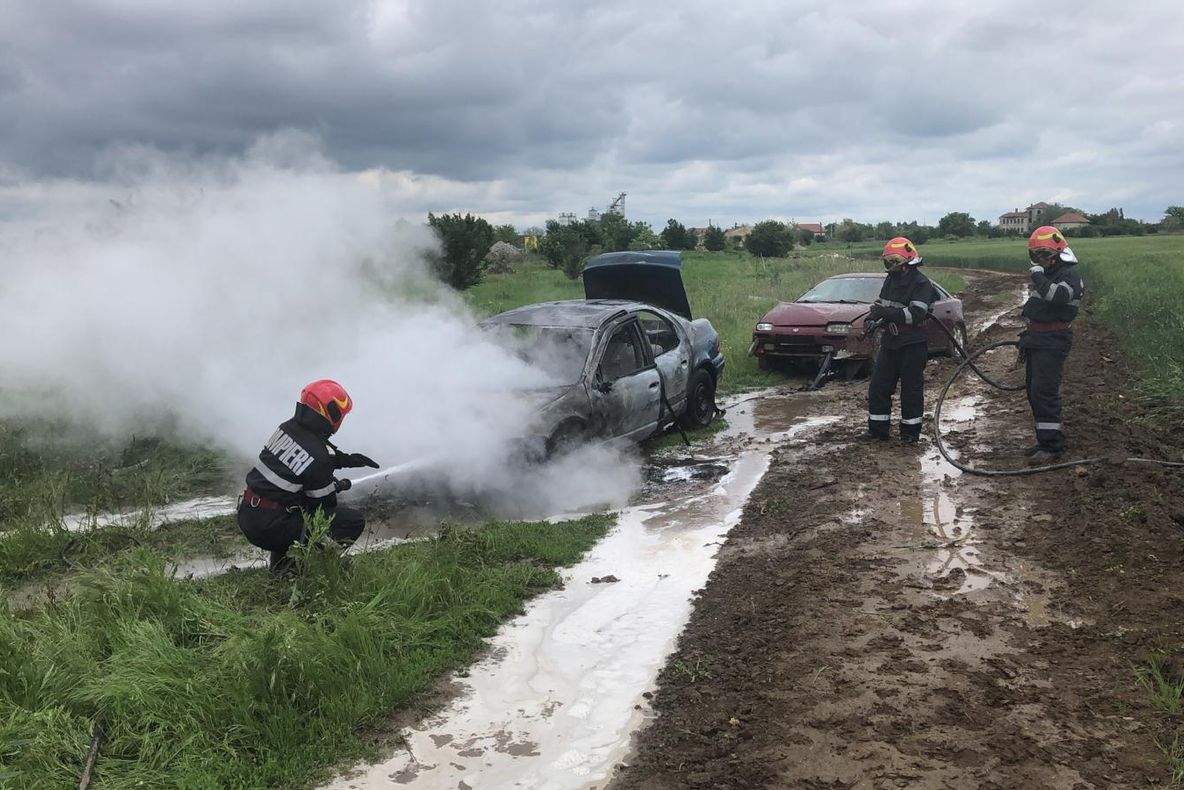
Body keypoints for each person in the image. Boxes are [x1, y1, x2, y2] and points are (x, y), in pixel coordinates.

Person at [237, 379, 379, 574]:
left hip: (249, 514)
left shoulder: (287, 428)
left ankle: (281, 571)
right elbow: (323, 508)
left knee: (292, 511)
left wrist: (346, 460)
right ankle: (318, 568)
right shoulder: (318, 457)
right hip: (269, 527)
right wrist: (331, 485)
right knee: (349, 522)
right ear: (331, 413)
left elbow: (307, 453)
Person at [1019, 226, 1084, 464]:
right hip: (1037, 340)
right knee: (1034, 392)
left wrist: (1037, 276)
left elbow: (1057, 297)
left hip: (1053, 341)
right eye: (1035, 256)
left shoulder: (1068, 276)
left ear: (1057, 253)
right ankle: (1044, 439)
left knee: (1045, 392)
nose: (1039, 260)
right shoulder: (1049, 276)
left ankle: (1053, 445)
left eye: (1043, 255)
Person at [863, 236, 937, 444]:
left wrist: (884, 312)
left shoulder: (922, 283)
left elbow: (915, 315)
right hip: (890, 342)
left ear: (905, 261)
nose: (889, 267)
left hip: (913, 343)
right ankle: (878, 431)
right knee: (879, 387)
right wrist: (872, 317)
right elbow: (881, 304)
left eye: (892, 262)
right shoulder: (891, 280)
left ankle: (910, 434)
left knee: (911, 390)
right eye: (887, 262)